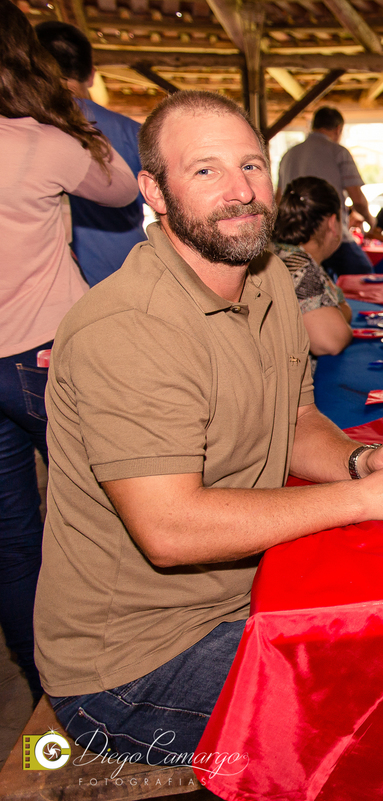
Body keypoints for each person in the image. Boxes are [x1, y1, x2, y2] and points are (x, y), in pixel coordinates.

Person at [35, 90, 383, 761]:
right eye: (206, 170)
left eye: (252, 166)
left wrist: (360, 461)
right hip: (131, 671)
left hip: (244, 602)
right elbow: (170, 528)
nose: (240, 191)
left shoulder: (263, 282)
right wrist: (361, 499)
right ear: (156, 191)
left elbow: (293, 421)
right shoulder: (131, 326)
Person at [0, 0, 138, 702]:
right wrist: (64, 109)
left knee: (14, 541)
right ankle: (119, 672)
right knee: (115, 509)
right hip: (42, 353)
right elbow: (117, 190)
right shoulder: (41, 138)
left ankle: (47, 686)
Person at [35, 20, 147, 286]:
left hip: (59, 283)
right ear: (92, 74)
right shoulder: (134, 132)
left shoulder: (31, 130)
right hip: (129, 271)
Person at [276, 106, 375, 276]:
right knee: (364, 278)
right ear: (338, 129)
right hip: (331, 235)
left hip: (295, 237)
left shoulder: (289, 154)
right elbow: (357, 199)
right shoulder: (338, 152)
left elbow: (278, 200)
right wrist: (371, 221)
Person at [273, 177, 353, 356]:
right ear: (333, 223)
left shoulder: (281, 254)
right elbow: (331, 341)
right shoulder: (300, 267)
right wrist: (342, 319)